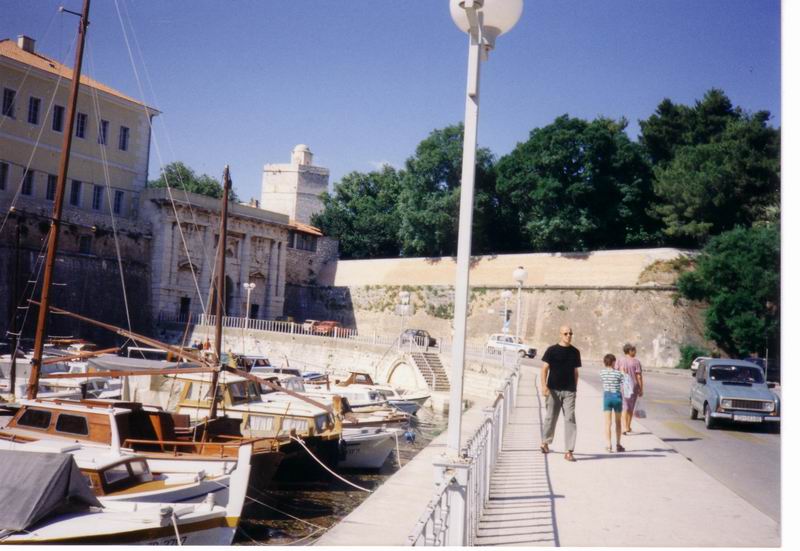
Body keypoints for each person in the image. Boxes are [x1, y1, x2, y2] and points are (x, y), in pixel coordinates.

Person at [540, 325, 581, 462]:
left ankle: (569, 451)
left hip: (569, 391)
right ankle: (545, 443)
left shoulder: (575, 352)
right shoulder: (551, 350)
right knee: (550, 417)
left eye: (570, 333)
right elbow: (544, 369)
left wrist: (575, 389)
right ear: (560, 334)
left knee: (570, 418)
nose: (568, 336)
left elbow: (575, 372)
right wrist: (544, 386)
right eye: (566, 333)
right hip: (553, 390)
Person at [616, 343, 644, 434]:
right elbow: (639, 376)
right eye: (634, 350)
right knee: (631, 407)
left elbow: (616, 373)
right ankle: (627, 426)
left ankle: (624, 427)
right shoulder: (636, 362)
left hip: (623, 385)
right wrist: (641, 388)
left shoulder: (619, 360)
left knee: (625, 406)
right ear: (630, 351)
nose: (635, 352)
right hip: (633, 386)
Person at [600, 353, 625, 453]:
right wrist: (622, 372)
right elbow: (624, 382)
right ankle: (618, 444)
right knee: (618, 422)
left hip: (607, 397)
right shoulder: (619, 373)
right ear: (613, 362)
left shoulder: (602, 372)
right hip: (617, 397)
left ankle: (608, 445)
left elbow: (603, 379)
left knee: (608, 423)